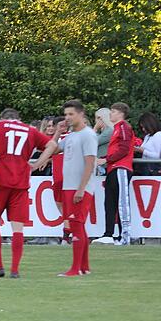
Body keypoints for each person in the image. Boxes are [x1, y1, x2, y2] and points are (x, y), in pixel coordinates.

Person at [0, 108, 52, 278]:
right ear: (19, 118)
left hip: (0, 177)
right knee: (18, 226)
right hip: (21, 179)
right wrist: (37, 163)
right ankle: (15, 269)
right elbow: (52, 145)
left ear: (3, 118)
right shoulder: (29, 130)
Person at [34, 100, 97, 276]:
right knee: (79, 226)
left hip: (78, 188)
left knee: (76, 225)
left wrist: (81, 189)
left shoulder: (88, 135)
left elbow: (90, 163)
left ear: (81, 114)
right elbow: (53, 149)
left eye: (71, 114)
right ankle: (84, 267)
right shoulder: (70, 136)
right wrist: (58, 133)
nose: (68, 118)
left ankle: (75, 268)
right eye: (66, 114)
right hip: (69, 187)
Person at [93, 102, 135, 245]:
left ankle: (125, 237)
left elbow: (124, 149)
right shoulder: (117, 128)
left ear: (120, 113)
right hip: (113, 168)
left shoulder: (123, 127)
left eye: (112, 111)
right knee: (110, 202)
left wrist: (105, 160)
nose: (110, 114)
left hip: (121, 168)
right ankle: (108, 234)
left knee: (122, 203)